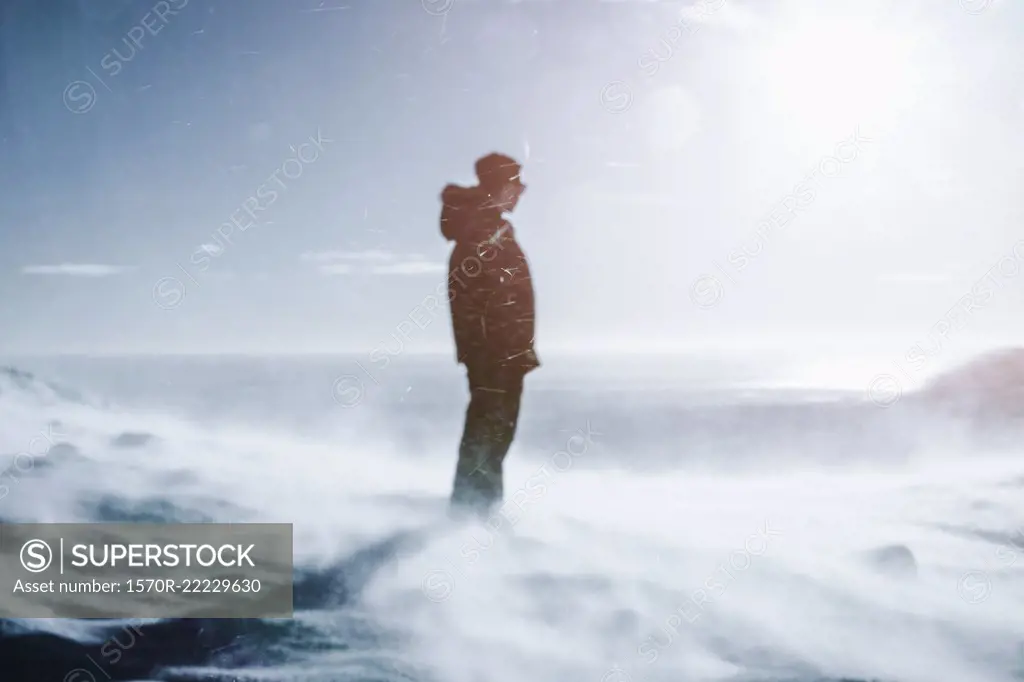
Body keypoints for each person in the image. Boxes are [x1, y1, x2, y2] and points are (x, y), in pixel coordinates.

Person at [439, 152, 540, 517]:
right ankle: (472, 515)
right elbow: (475, 302)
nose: (522, 193)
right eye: (517, 185)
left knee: (493, 435)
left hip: (500, 356)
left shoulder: (486, 229)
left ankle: (477, 512)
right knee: (489, 435)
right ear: (501, 186)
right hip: (495, 357)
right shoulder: (481, 234)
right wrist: (495, 352)